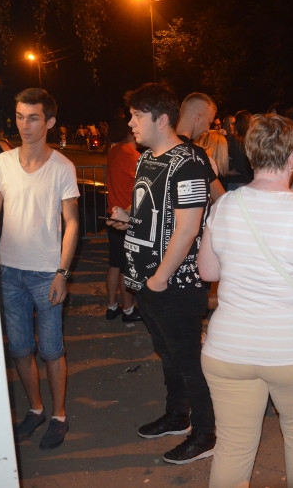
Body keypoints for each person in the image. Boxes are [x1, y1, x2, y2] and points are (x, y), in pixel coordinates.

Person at [198, 113, 293, 488]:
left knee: (233, 447)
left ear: (250, 155)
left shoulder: (225, 206)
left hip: (229, 349)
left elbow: (208, 271)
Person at [107, 83, 216, 465]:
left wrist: (159, 279)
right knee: (168, 355)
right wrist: (128, 219)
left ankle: (206, 434)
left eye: (138, 115)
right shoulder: (148, 159)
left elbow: (188, 228)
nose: (131, 122)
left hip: (174, 284)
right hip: (148, 282)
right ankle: (177, 416)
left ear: (162, 119)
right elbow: (156, 215)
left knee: (187, 360)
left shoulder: (189, 162)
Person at [0, 88, 80, 450]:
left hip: (46, 273)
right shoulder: (1, 163)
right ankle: (35, 409)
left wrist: (62, 272)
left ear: (50, 122)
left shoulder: (62, 167)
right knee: (20, 349)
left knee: (52, 351)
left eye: (33, 118)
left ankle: (59, 416)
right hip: (8, 271)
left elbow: (72, 223)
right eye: (19, 117)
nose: (24, 125)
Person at [104, 115, 141, 323]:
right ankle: (128, 309)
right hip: (126, 219)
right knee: (127, 267)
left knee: (114, 264)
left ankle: (112, 306)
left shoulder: (114, 151)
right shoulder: (131, 155)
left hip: (112, 213)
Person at [176, 92, 226, 201]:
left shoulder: (155, 148)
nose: (207, 130)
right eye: (209, 123)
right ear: (198, 117)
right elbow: (221, 198)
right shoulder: (196, 155)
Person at [225, 109, 254, 190]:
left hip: (236, 182)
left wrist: (228, 171)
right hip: (251, 182)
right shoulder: (254, 141)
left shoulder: (233, 141)